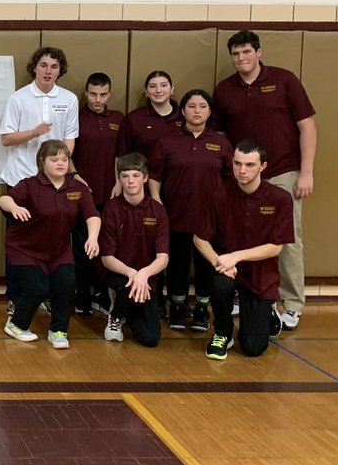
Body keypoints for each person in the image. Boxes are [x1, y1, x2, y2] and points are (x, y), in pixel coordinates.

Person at [213, 30, 316, 331]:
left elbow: (307, 127)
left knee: (287, 240)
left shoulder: (284, 80)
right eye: (235, 54)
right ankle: (241, 294)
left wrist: (306, 171)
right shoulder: (224, 90)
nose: (241, 58)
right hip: (242, 174)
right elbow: (219, 136)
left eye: (246, 52)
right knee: (237, 236)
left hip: (283, 172)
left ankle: (292, 303)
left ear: (258, 53)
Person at [194, 141, 294, 360]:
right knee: (220, 284)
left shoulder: (280, 198)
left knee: (252, 349)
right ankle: (222, 332)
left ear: (263, 166)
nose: (242, 170)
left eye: (249, 165)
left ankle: (266, 310)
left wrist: (236, 256)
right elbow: (200, 239)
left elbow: (276, 247)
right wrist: (218, 262)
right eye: (237, 163)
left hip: (260, 273)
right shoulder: (218, 194)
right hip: (226, 270)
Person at [0, 141, 100, 349]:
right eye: (54, 160)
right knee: (38, 287)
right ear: (42, 161)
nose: (60, 163)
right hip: (25, 249)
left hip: (58, 250)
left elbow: (92, 215)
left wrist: (93, 237)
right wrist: (15, 207)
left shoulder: (78, 188)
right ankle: (16, 324)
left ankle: (58, 330)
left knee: (66, 284)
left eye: (64, 159)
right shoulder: (30, 185)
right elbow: (4, 200)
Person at [147, 89, 232, 332]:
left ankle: (202, 309)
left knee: (206, 265)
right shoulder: (167, 141)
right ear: (182, 111)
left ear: (209, 111)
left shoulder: (221, 143)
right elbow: (155, 176)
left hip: (209, 219)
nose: (197, 111)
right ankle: (177, 305)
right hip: (176, 214)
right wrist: (157, 201)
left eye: (202, 106)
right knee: (177, 264)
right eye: (192, 106)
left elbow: (230, 179)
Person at [99, 153, 169, 348]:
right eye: (125, 175)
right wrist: (132, 274)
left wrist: (144, 274)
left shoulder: (158, 211)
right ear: (119, 178)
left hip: (147, 279)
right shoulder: (111, 209)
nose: (130, 181)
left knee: (150, 338)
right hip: (120, 274)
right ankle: (116, 314)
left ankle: (128, 308)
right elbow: (106, 258)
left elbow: (163, 257)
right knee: (127, 288)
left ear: (145, 178)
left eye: (136, 175)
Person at [69, 72, 124, 315]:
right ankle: (82, 292)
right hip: (81, 193)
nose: (97, 99)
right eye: (93, 94)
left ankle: (101, 293)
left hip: (109, 192)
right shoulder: (76, 117)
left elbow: (120, 154)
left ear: (109, 94)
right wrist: (75, 176)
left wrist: (118, 180)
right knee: (82, 244)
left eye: (102, 94)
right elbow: (65, 152)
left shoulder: (118, 119)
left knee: (106, 244)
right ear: (86, 93)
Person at [0, 46, 79, 186]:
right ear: (34, 68)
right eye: (43, 65)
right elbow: (6, 139)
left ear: (60, 71)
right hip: (21, 175)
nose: (48, 71)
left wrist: (59, 166)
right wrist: (34, 133)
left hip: (54, 178)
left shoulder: (70, 99)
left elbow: (69, 139)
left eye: (54, 66)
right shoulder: (18, 98)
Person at [117, 69, 181, 159]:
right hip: (144, 172)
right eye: (152, 86)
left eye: (163, 85)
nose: (158, 91)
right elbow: (122, 155)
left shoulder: (184, 116)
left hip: (178, 172)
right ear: (146, 91)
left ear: (172, 89)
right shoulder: (134, 118)